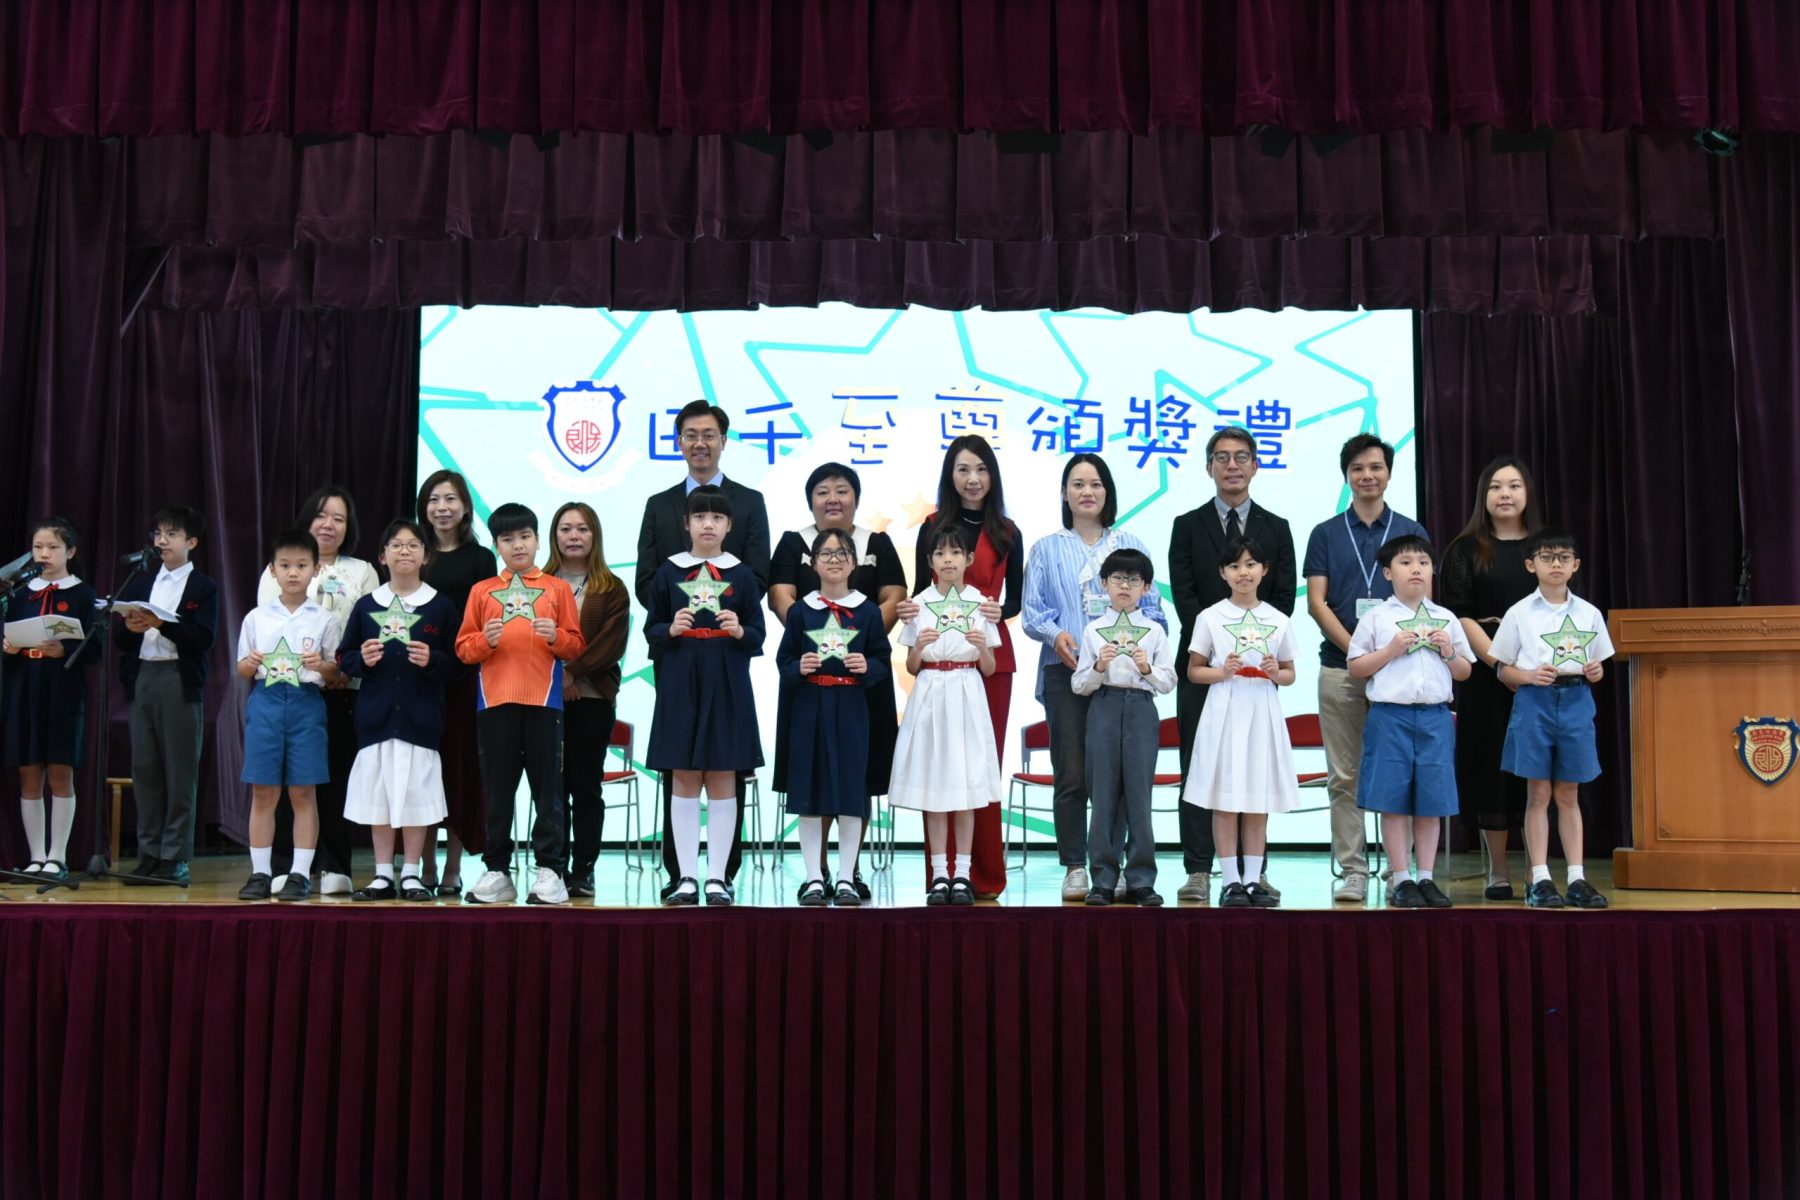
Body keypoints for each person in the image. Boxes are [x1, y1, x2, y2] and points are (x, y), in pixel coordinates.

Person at [635, 399, 771, 897]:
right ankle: (684, 875)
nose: (708, 524)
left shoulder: (749, 506)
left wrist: (733, 626)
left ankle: (720, 875)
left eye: (709, 434)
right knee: (683, 773)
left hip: (727, 672)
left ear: (723, 440)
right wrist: (672, 626)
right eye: (690, 434)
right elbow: (650, 603)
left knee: (724, 772)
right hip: (679, 671)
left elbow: (757, 609)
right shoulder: (660, 513)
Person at [1022, 453, 1166, 902]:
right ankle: (1074, 866)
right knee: (1071, 773)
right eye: (1078, 483)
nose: (1087, 491)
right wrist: (1058, 635)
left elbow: (1156, 610)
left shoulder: (1130, 543)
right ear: (1065, 493)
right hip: (1064, 671)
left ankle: (1114, 867)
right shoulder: (1046, 548)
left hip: (1121, 679)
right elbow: (1032, 612)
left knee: (1118, 777)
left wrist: (1137, 645)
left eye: (1096, 483)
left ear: (1108, 492)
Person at [1168, 427, 1296, 903]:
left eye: (1242, 457)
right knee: (1200, 767)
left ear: (1255, 465)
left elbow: (1283, 598)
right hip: (1205, 665)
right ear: (1209, 467)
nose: (1232, 465)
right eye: (1221, 458)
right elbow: (1184, 595)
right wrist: (1218, 641)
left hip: (1257, 673)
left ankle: (1253, 873)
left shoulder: (1277, 526)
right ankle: (1201, 869)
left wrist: (1256, 647)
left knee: (1253, 767)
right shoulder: (1187, 524)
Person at [768, 462, 906, 899]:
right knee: (809, 783)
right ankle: (816, 873)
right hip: (809, 697)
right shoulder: (793, 547)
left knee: (855, 783)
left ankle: (849, 872)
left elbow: (894, 599)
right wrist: (812, 639)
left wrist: (859, 642)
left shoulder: (876, 545)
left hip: (858, 697)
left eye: (842, 490)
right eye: (823, 491)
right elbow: (781, 608)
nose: (833, 498)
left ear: (856, 498)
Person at [1302, 435, 1428, 903]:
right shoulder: (1326, 533)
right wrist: (1359, 652)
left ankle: (1401, 871)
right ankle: (1353, 869)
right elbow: (1317, 603)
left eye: (1376, 467)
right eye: (1357, 468)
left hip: (1401, 673)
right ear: (1346, 476)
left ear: (1389, 474)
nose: (1367, 475)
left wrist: (1385, 655)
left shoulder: (1410, 530)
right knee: (1344, 775)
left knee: (1402, 772)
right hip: (1340, 670)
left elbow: (1423, 600)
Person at [902, 434, 1018, 898]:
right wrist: (909, 613)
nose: (973, 479)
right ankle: (941, 873)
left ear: (993, 475)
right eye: (963, 469)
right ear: (950, 475)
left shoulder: (1007, 530)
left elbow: (1016, 599)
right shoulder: (932, 526)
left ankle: (978, 875)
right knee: (938, 764)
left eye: (982, 469)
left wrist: (996, 611)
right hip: (940, 660)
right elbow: (919, 588)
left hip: (987, 656)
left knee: (979, 767)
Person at [454, 502, 586, 906]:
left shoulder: (556, 589)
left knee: (548, 792)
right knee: (497, 792)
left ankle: (550, 870)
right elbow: (463, 648)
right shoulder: (482, 591)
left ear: (537, 540)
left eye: (525, 536)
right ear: (496, 546)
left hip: (545, 704)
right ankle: (497, 870)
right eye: (508, 539)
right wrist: (485, 641)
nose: (518, 545)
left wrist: (555, 637)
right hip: (494, 704)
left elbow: (575, 646)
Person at [257, 485, 380, 896]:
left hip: (344, 688)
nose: (328, 525)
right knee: (288, 779)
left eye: (338, 518)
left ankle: (335, 866)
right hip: (289, 690)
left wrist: (342, 669)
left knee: (334, 779)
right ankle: (285, 866)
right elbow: (267, 625)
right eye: (321, 515)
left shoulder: (363, 571)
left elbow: (369, 626)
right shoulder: (277, 569)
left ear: (348, 527)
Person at [1346, 535, 1475, 909]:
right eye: (1405, 563)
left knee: (1431, 801)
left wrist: (1448, 651)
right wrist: (1390, 650)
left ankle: (1426, 877)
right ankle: (1401, 877)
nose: (1416, 569)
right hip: (1390, 716)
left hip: (1435, 717)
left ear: (1433, 570)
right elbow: (1356, 667)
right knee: (1394, 801)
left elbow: (1464, 671)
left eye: (1423, 562)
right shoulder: (1377, 617)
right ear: (1388, 573)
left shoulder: (1446, 618)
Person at [1490, 530, 1614, 909]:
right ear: (1532, 565)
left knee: (1569, 793)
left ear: (1576, 565)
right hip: (1535, 701)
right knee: (1538, 793)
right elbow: (1502, 669)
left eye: (1563, 557)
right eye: (1547, 557)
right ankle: (1540, 878)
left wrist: (1595, 672)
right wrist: (1528, 676)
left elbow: (1599, 666)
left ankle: (1576, 878)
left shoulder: (1588, 612)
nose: (1556, 564)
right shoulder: (1519, 613)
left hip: (1576, 699)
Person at [1439, 457, 1544, 899]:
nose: (1505, 494)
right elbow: (1460, 615)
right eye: (1496, 486)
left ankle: (1537, 871)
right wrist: (1502, 667)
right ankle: (1498, 871)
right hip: (1486, 676)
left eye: (1514, 485)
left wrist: (1527, 670)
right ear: (1483, 496)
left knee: (1537, 772)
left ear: (1527, 493)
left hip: (1541, 675)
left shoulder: (1544, 547)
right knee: (1491, 770)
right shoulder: (1464, 550)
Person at [339, 520, 460, 901]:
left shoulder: (440, 606)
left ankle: (410, 873)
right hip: (375, 718)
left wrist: (433, 660)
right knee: (378, 794)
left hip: (420, 719)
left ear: (426, 556)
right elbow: (344, 657)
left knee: (416, 795)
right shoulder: (366, 605)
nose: (404, 551)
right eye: (395, 544)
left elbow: (460, 662)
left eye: (413, 545)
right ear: (382, 556)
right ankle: (381, 874)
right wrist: (363, 659)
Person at [891, 524, 1000, 906]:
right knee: (935, 786)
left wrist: (981, 646)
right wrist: (920, 646)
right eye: (940, 554)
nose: (948, 560)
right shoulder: (918, 604)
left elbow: (989, 668)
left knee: (966, 786)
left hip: (967, 691)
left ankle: (963, 874)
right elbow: (911, 666)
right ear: (930, 561)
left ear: (969, 559)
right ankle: (940, 872)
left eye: (955, 553)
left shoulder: (981, 604)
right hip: (931, 693)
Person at [235, 529, 345, 902]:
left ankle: (299, 873)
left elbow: (338, 673)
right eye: (285, 565)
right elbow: (242, 669)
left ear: (316, 569)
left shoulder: (324, 619)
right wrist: (250, 663)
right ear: (272, 570)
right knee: (263, 790)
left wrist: (323, 665)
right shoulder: (256, 617)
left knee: (303, 790)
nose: (293, 572)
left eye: (301, 565)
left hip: (306, 703)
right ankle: (260, 873)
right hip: (265, 702)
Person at [112, 505, 219, 885]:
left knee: (179, 771)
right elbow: (120, 639)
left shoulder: (203, 587)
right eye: (158, 533)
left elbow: (203, 639)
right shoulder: (141, 582)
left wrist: (162, 624)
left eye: (171, 534)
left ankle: (175, 856)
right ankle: (149, 853)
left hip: (178, 679)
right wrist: (131, 628)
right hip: (143, 676)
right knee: (145, 769)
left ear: (191, 542)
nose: (162, 541)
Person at [1068, 547, 1175, 907]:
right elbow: (1079, 684)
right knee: (1102, 796)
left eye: (1134, 579)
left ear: (1147, 587)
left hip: (1142, 708)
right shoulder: (1094, 630)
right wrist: (1099, 666)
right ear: (1104, 584)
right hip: (1104, 705)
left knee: (1139, 797)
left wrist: (1147, 669)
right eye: (1117, 578)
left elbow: (1168, 682)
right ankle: (1103, 879)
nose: (1125, 586)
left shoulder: (1154, 631)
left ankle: (1141, 879)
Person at [2, 517, 101, 878]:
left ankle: (57, 856)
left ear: (70, 552)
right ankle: (36, 856)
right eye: (38, 547)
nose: (44, 554)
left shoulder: (83, 595)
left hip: (62, 689)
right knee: (29, 772)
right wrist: (9, 647)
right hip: (24, 687)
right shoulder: (19, 593)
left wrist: (65, 649)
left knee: (60, 770)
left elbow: (95, 648)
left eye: (53, 547)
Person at [418, 469, 498, 897]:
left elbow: (485, 618)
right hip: (416, 677)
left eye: (450, 499)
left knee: (458, 770)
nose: (442, 508)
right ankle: (423, 864)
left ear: (465, 507)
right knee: (420, 769)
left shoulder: (481, 558)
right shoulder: (415, 550)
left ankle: (452, 866)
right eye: (433, 499)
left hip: (464, 676)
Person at [545, 502, 630, 898]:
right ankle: (553, 866)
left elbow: (611, 645)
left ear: (595, 535)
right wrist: (557, 677)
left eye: (582, 528)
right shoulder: (539, 582)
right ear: (554, 536)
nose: (574, 536)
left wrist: (571, 673)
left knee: (585, 786)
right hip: (544, 700)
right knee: (552, 788)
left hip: (593, 699)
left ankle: (583, 869)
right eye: (565, 529)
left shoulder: (610, 587)